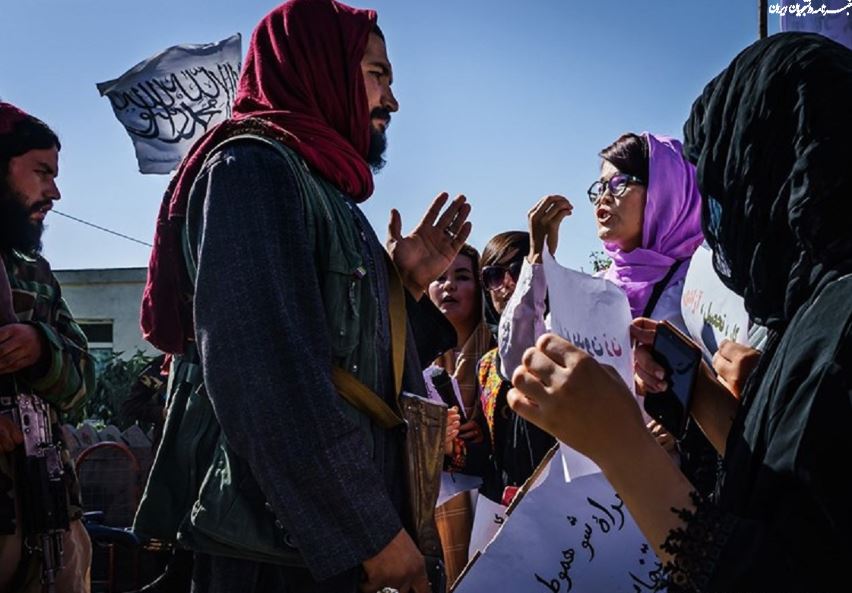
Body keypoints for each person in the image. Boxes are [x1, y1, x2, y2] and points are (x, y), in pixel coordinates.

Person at [134, 1, 467, 592]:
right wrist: (368, 532)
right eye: (377, 74)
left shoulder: (328, 192)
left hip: (330, 549)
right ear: (319, 67)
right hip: (277, 554)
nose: (390, 100)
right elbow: (264, 376)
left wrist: (405, 288)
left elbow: (353, 368)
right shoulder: (252, 169)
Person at [508, 33, 852, 592]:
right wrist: (694, 387)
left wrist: (622, 444)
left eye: (728, 183)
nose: (719, 219)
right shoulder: (816, 308)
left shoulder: (841, 324)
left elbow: (782, 571)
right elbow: (787, 481)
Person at [501, 133, 718, 495]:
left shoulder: (704, 280)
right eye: (599, 187)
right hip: (599, 504)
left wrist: (686, 427)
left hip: (677, 493)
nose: (603, 197)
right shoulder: (595, 290)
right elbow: (518, 363)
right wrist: (538, 259)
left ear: (669, 190)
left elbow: (736, 387)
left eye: (620, 183)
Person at [0, 102, 95, 592]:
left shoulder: (33, 275)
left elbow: (84, 383)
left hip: (48, 510)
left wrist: (42, 347)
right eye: (41, 173)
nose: (54, 191)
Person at [427, 244, 492, 584]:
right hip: (433, 511)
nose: (448, 285)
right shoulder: (411, 358)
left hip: (494, 505)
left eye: (461, 276)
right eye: (439, 277)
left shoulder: (500, 355)